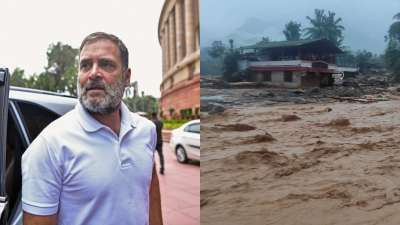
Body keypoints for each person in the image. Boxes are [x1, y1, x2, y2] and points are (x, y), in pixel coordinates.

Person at [21, 32, 163, 225]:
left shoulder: (146, 130)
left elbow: (150, 188)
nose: (93, 73)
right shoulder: (48, 146)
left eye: (106, 64)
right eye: (85, 65)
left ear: (127, 76)